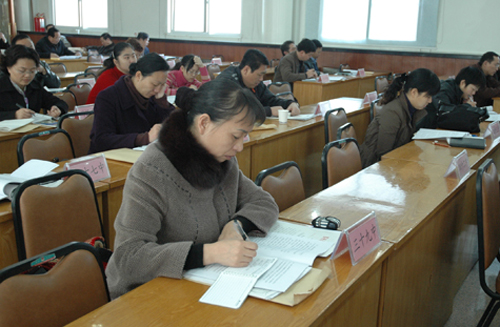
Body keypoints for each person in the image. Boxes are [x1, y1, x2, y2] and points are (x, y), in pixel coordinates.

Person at [105, 78, 279, 299]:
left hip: (202, 285)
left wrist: (236, 226)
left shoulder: (222, 160)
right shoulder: (151, 170)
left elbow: (263, 202)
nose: (240, 147)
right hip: (147, 295)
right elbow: (129, 257)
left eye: (244, 136)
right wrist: (209, 253)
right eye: (235, 136)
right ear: (204, 123)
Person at [88, 53, 174, 153]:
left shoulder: (153, 96)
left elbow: (170, 128)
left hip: (143, 157)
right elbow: (101, 139)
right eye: (155, 84)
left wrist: (162, 102)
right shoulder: (108, 97)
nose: (158, 90)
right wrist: (143, 138)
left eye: (162, 85)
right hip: (112, 160)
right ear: (138, 76)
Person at [359, 68, 440, 168]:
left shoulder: (413, 109)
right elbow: (384, 154)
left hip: (395, 164)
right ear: (414, 92)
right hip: (374, 168)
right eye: (427, 96)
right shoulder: (392, 113)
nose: (430, 101)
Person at [219, 49, 300, 117]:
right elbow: (235, 112)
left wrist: (290, 103)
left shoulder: (255, 82)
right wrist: (269, 111)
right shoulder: (227, 82)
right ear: (246, 70)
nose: (261, 79)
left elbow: (271, 100)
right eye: (259, 75)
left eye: (263, 75)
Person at [0, 45, 68, 121]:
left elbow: (60, 102)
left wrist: (57, 108)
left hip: (33, 130)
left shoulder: (34, 86)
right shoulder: (2, 86)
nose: (28, 75)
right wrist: (14, 115)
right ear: (8, 68)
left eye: (32, 71)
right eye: (22, 71)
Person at [416, 66, 486, 129]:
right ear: (463, 83)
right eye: (473, 89)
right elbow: (446, 113)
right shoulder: (444, 90)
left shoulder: (458, 92)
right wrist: (466, 107)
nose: (473, 93)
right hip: (425, 129)